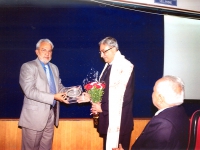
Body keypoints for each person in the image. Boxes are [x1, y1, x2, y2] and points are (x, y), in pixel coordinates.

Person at [78, 37, 135, 150]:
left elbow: (125, 98)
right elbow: (105, 93)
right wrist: (90, 97)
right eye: (100, 52)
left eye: (104, 51)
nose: (101, 55)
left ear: (114, 48)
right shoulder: (109, 66)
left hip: (120, 123)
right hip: (107, 119)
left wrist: (102, 108)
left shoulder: (125, 66)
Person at [113, 75, 190, 150]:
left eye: (154, 91)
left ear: (160, 98)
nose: (152, 94)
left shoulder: (163, 123)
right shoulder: (180, 112)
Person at [19, 39, 69, 150]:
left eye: (50, 51)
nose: (47, 53)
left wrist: (73, 92)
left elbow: (59, 87)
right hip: (34, 118)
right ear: (37, 51)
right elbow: (29, 91)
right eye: (44, 50)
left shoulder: (54, 68)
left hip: (51, 115)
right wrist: (53, 97)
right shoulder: (28, 67)